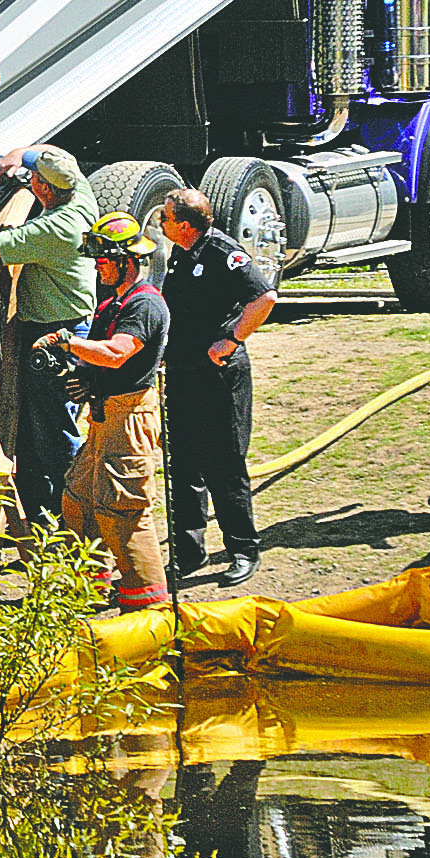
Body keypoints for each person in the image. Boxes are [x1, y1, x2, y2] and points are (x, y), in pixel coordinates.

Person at [0, 144, 99, 523]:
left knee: (55, 430)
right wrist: (17, 156)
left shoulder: (55, 228)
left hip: (58, 335)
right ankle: (44, 511)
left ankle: (76, 513)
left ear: (45, 191)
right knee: (38, 432)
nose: (29, 180)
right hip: (67, 320)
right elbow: (52, 152)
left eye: (33, 179)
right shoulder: (78, 191)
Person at [48, 213, 171, 608]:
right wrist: (84, 376)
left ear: (126, 261)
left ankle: (147, 597)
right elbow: (100, 358)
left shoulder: (145, 305)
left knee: (123, 507)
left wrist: (68, 343)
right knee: (79, 497)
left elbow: (118, 353)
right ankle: (92, 581)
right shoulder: (112, 303)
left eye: (103, 261)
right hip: (104, 416)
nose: (97, 267)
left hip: (130, 417)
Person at [158, 188, 276, 585]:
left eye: (166, 218)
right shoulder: (180, 253)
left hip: (219, 374)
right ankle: (189, 552)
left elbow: (264, 297)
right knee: (184, 464)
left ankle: (243, 550)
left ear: (186, 225)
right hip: (182, 372)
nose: (160, 223)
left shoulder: (225, 254)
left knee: (224, 465)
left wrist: (231, 339)